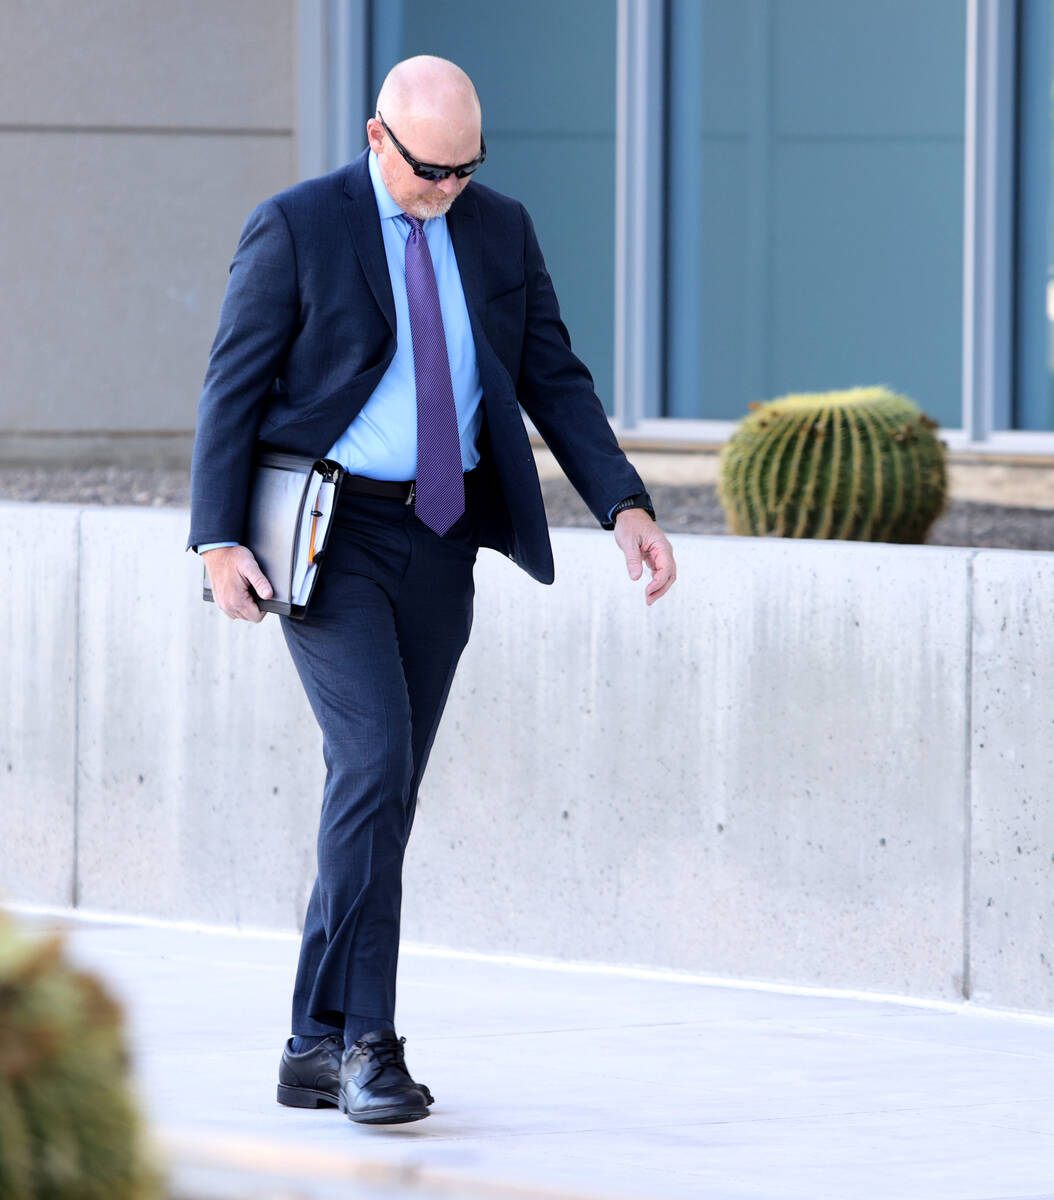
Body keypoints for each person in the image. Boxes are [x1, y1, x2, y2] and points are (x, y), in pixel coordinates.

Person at [188, 55, 676, 1126]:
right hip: (331, 538)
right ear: (376, 138)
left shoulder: (498, 229)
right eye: (428, 171)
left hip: (442, 538)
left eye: (465, 169)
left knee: (380, 792)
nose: (447, 189)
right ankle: (368, 1046)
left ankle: (307, 1045)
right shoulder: (298, 225)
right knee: (372, 762)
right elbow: (232, 382)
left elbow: (553, 375)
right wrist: (217, 539)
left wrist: (622, 506)